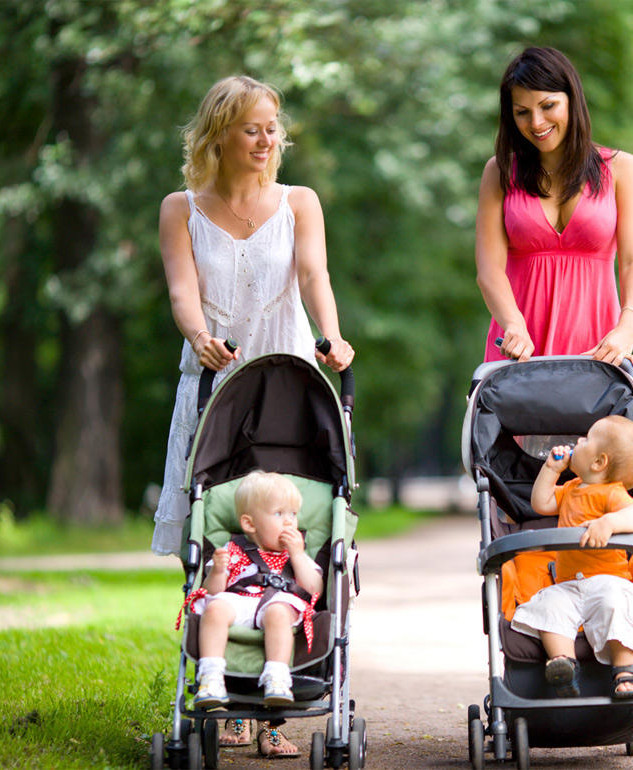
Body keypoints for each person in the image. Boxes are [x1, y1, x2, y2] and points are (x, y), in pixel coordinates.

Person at [152, 75, 353, 757]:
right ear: (219, 135)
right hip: (215, 381)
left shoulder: (300, 202)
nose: (268, 140)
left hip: (285, 380)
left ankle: (272, 714)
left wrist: (331, 335)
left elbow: (313, 277)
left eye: (273, 128)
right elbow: (183, 290)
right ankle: (227, 699)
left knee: (279, 529)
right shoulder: (180, 207)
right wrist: (196, 337)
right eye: (252, 128)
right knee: (220, 532)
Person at [475, 46, 633, 367]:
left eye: (548, 105)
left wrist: (627, 330)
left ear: (572, 98)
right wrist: (513, 324)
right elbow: (489, 271)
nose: (536, 122)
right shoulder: (499, 172)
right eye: (522, 112)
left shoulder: (622, 168)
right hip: (519, 351)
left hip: (598, 349)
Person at [509, 415, 633, 699]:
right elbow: (541, 503)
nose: (578, 441)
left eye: (586, 439)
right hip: (568, 585)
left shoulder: (611, 493)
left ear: (598, 462)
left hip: (608, 581)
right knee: (550, 605)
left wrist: (609, 523)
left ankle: (625, 671)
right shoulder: (570, 489)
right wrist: (551, 469)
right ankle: (563, 665)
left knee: (616, 606)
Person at [188, 471, 322, 714]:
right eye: (279, 514)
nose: (290, 521)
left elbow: (314, 589)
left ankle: (277, 677)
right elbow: (211, 591)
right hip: (240, 600)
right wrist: (218, 571)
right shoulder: (234, 549)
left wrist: (298, 555)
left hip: (280, 602)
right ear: (249, 523)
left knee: (278, 613)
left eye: (293, 514)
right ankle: (211, 677)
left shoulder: (296, 553)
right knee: (215, 607)